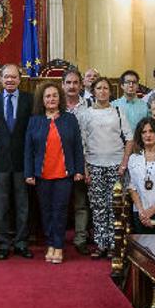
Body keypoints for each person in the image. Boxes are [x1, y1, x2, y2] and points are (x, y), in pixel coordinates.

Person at [24, 81, 84, 265]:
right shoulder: (34, 121)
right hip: (42, 175)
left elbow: (77, 147)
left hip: (64, 175)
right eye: (48, 96)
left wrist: (79, 170)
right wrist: (29, 173)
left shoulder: (69, 119)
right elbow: (28, 149)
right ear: (42, 100)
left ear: (60, 98)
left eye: (54, 96)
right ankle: (50, 243)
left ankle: (58, 246)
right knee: (46, 212)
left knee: (60, 212)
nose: (51, 99)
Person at [79, 76, 134, 258]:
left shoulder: (118, 112)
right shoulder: (86, 113)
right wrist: (85, 168)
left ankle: (114, 244)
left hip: (116, 165)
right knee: (98, 206)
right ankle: (101, 244)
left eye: (105, 88)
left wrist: (124, 163)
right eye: (99, 88)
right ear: (93, 91)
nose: (102, 91)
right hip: (94, 164)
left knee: (115, 206)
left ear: (110, 92)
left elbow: (130, 139)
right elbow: (82, 143)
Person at [0, 64, 34, 260]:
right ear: (0, 80)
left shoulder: (30, 100)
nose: (10, 80)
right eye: (6, 77)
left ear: (20, 79)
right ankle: (3, 244)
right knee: (1, 206)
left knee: (23, 206)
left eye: (14, 77)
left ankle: (22, 243)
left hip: (23, 162)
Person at [63, 69, 92, 255]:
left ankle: (81, 238)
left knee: (81, 202)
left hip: (83, 159)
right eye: (68, 83)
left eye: (75, 83)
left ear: (81, 85)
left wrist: (87, 164)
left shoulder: (90, 105)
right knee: (59, 201)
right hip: (60, 160)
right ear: (62, 85)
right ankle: (57, 238)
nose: (72, 86)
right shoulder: (54, 104)